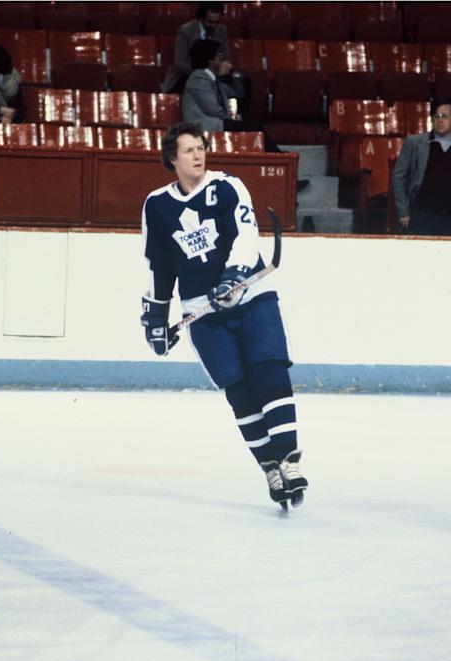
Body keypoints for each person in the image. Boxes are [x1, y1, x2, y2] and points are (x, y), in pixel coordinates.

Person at [140, 122, 308, 510]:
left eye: (200, 147)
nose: (198, 155)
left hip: (252, 294)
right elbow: (160, 266)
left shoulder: (227, 186)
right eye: (188, 150)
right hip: (201, 311)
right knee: (239, 391)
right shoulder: (157, 206)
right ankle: (269, 466)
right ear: (171, 158)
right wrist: (156, 318)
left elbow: (246, 235)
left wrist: (233, 275)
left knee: (269, 371)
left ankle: (289, 459)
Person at [392, 97, 451, 236]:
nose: (440, 120)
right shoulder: (414, 142)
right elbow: (397, 177)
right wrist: (403, 212)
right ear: (431, 119)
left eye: (445, 116)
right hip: (421, 215)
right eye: (436, 116)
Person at [161, 1, 232, 95]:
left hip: (214, 75)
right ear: (201, 18)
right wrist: (203, 75)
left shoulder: (221, 30)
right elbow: (180, 63)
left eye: (217, 22)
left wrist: (225, 64)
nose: (214, 26)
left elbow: (226, 57)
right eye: (210, 22)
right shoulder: (185, 31)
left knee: (239, 81)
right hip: (188, 74)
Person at [182, 39, 245, 133]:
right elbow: (213, 110)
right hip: (203, 125)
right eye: (218, 54)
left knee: (254, 128)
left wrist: (234, 73)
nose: (222, 56)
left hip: (218, 123)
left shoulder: (213, 79)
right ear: (210, 59)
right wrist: (232, 121)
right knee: (252, 129)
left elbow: (237, 93)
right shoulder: (198, 77)